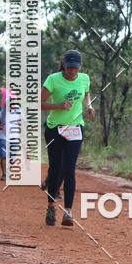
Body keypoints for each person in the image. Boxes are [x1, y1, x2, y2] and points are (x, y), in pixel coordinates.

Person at [41, 49, 94, 227]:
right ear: (64, 65)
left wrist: (89, 107)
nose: (72, 71)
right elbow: (39, 103)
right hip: (55, 129)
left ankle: (68, 212)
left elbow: (86, 94)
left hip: (75, 128)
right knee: (56, 169)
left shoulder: (84, 78)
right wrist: (59, 105)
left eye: (75, 68)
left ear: (80, 66)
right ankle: (50, 206)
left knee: (69, 170)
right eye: (70, 67)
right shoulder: (53, 79)